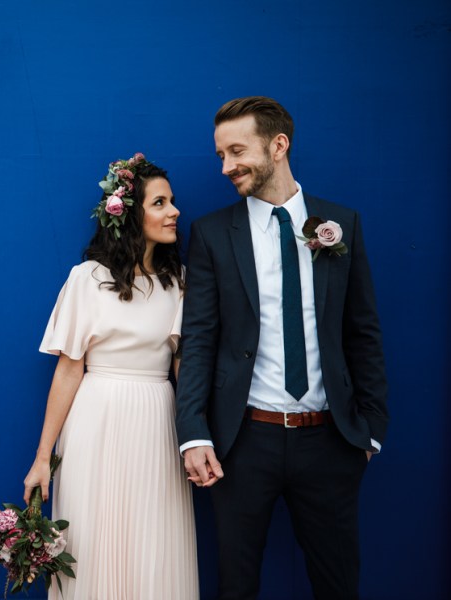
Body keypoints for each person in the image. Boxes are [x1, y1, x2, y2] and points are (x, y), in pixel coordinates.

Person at [175, 97, 389, 600]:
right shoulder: (211, 234)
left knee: (338, 584)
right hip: (243, 442)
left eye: (236, 151)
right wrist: (193, 433)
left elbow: (364, 333)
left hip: (331, 442)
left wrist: (371, 430)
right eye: (220, 156)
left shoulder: (342, 224)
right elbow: (199, 339)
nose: (226, 167)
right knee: (236, 584)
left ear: (278, 145)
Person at [24, 153, 199, 600]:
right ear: (128, 213)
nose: (174, 211)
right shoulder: (87, 279)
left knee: (154, 540)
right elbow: (68, 370)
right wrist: (43, 458)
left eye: (172, 201)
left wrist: (199, 439)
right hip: (95, 424)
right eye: (160, 203)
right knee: (93, 538)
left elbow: (184, 368)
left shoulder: (177, 281)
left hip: (157, 424)